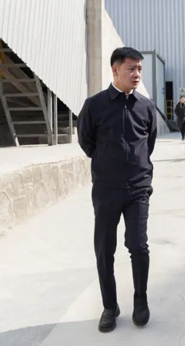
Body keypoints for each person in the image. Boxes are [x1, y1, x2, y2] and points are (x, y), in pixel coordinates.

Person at [77, 47, 157, 333]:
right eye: (131, 69)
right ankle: (110, 306)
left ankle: (140, 299)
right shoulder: (94, 105)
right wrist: (107, 164)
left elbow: (148, 144)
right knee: (104, 249)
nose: (136, 74)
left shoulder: (146, 106)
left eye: (139, 69)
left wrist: (137, 169)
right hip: (107, 189)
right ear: (115, 70)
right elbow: (86, 142)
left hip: (137, 189)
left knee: (138, 245)